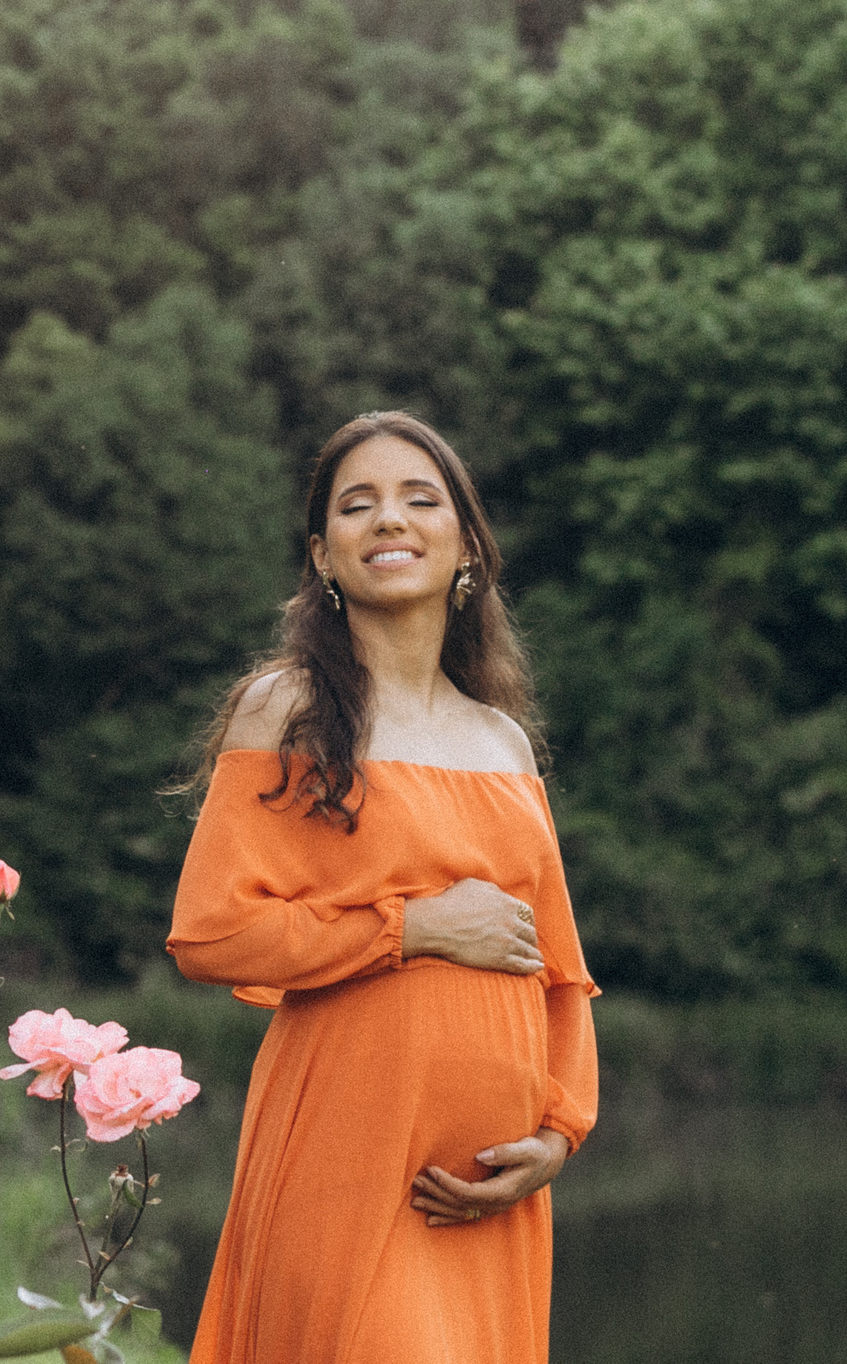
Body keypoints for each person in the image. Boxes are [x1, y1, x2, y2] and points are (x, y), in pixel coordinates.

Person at [166, 410, 599, 1364]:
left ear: (466, 546)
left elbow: (560, 970)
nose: (388, 520)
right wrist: (409, 928)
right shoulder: (285, 709)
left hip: (489, 1203)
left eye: (418, 499)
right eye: (356, 506)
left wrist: (561, 1134)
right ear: (324, 556)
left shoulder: (503, 743)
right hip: (348, 1160)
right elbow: (212, 931)